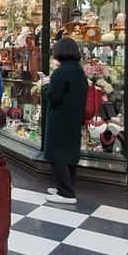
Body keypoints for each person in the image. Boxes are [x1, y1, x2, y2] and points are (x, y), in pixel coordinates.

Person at [43, 37, 88, 204]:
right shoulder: (78, 71)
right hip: (74, 117)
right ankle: (67, 186)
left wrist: (46, 85)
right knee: (69, 153)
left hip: (60, 118)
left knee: (57, 153)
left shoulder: (60, 72)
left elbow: (53, 97)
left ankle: (66, 192)